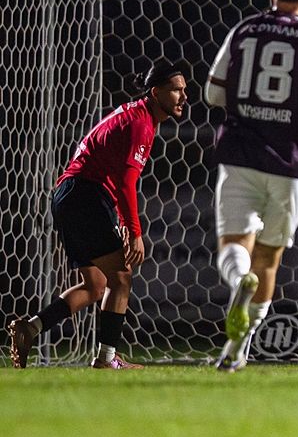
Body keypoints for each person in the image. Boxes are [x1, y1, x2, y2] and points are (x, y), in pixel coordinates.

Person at [7, 59, 189, 369]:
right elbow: (125, 181)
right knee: (121, 280)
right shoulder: (140, 124)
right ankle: (106, 359)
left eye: (185, 90)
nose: (184, 97)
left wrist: (117, 218)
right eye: (176, 90)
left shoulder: (135, 115)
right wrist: (134, 232)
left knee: (95, 286)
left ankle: (30, 328)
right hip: (85, 196)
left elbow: (112, 169)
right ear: (156, 92)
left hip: (71, 195)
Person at [206, 0, 298, 372]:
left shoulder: (245, 29)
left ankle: (236, 283)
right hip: (290, 161)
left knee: (234, 248)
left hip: (241, 154)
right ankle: (236, 353)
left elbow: (212, 91)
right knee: (269, 260)